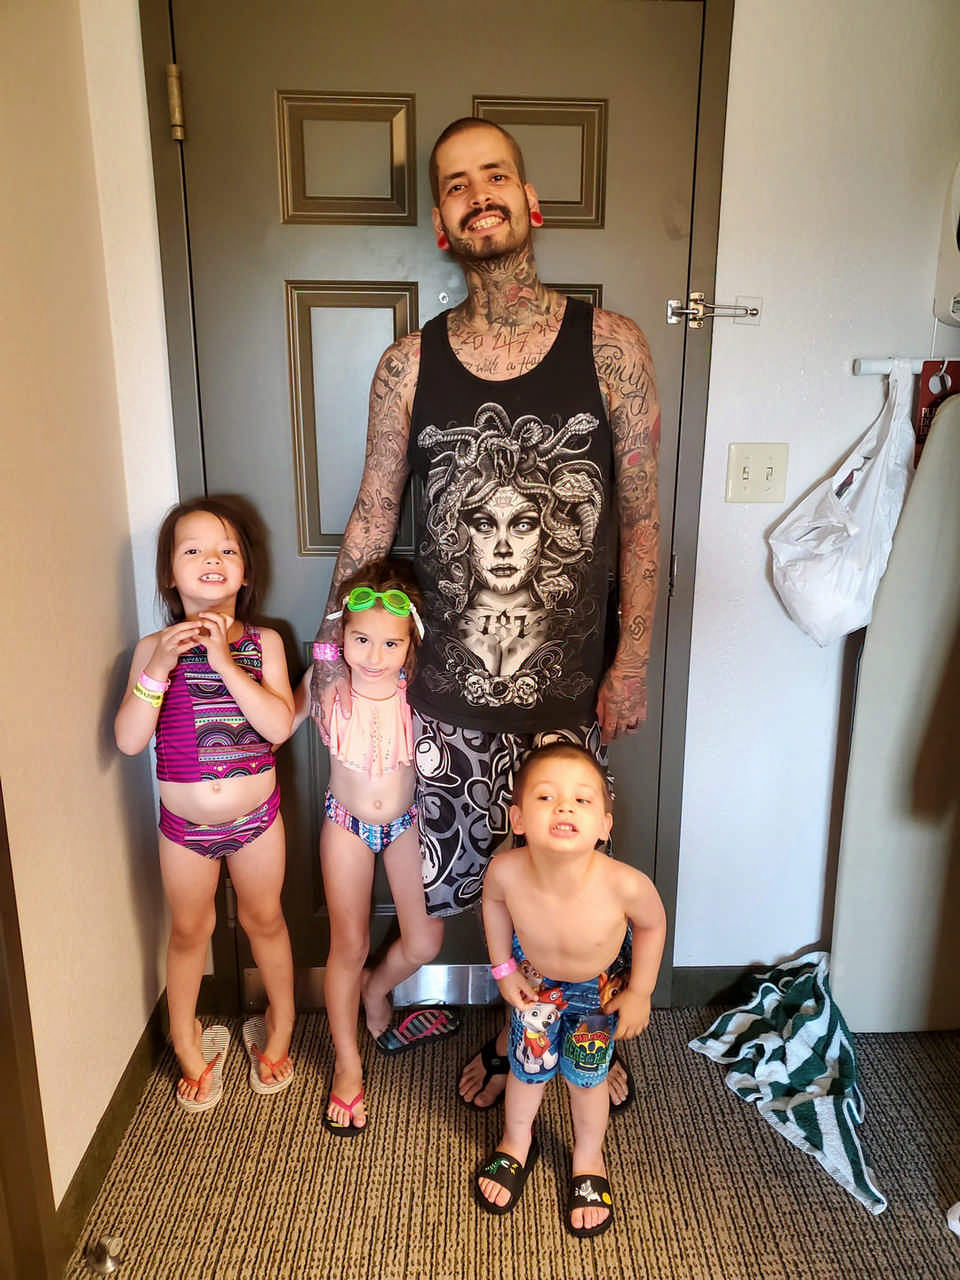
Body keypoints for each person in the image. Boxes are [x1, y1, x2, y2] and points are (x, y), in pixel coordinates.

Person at [309, 116, 661, 1111]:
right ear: (441, 224)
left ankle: (554, 1042)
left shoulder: (614, 346)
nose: (478, 194)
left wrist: (632, 659)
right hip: (446, 700)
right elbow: (374, 515)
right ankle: (517, 1031)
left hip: (568, 698)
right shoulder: (407, 366)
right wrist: (332, 656)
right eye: (457, 184)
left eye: (494, 174)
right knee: (477, 892)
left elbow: (641, 520)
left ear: (530, 201)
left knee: (567, 884)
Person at [115, 496, 296, 1111]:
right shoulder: (152, 648)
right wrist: (161, 665)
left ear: (245, 573)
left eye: (226, 550)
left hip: (256, 823)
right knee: (190, 930)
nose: (211, 559)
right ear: (170, 574)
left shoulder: (264, 642)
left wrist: (223, 660)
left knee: (265, 919)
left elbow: (277, 726)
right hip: (183, 829)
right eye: (192, 550)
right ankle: (184, 1035)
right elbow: (129, 739)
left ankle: (281, 1020)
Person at [474, 742, 666, 1236]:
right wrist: (504, 969)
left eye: (582, 800)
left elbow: (652, 924)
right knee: (527, 1071)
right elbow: (492, 904)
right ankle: (517, 1141)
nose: (564, 807)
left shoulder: (624, 884)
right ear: (518, 818)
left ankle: (588, 1155)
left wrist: (640, 991)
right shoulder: (506, 871)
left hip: (595, 996)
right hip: (534, 989)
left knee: (587, 1079)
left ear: (604, 824)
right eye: (546, 797)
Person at [294, 558, 453, 1135]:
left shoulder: (419, 690)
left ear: (410, 645)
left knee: (425, 940)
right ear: (343, 634)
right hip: (346, 825)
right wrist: (325, 661)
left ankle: (375, 990)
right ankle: (347, 1062)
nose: (375, 655)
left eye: (391, 643)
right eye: (361, 639)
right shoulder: (327, 685)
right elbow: (280, 718)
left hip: (407, 823)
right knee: (350, 944)